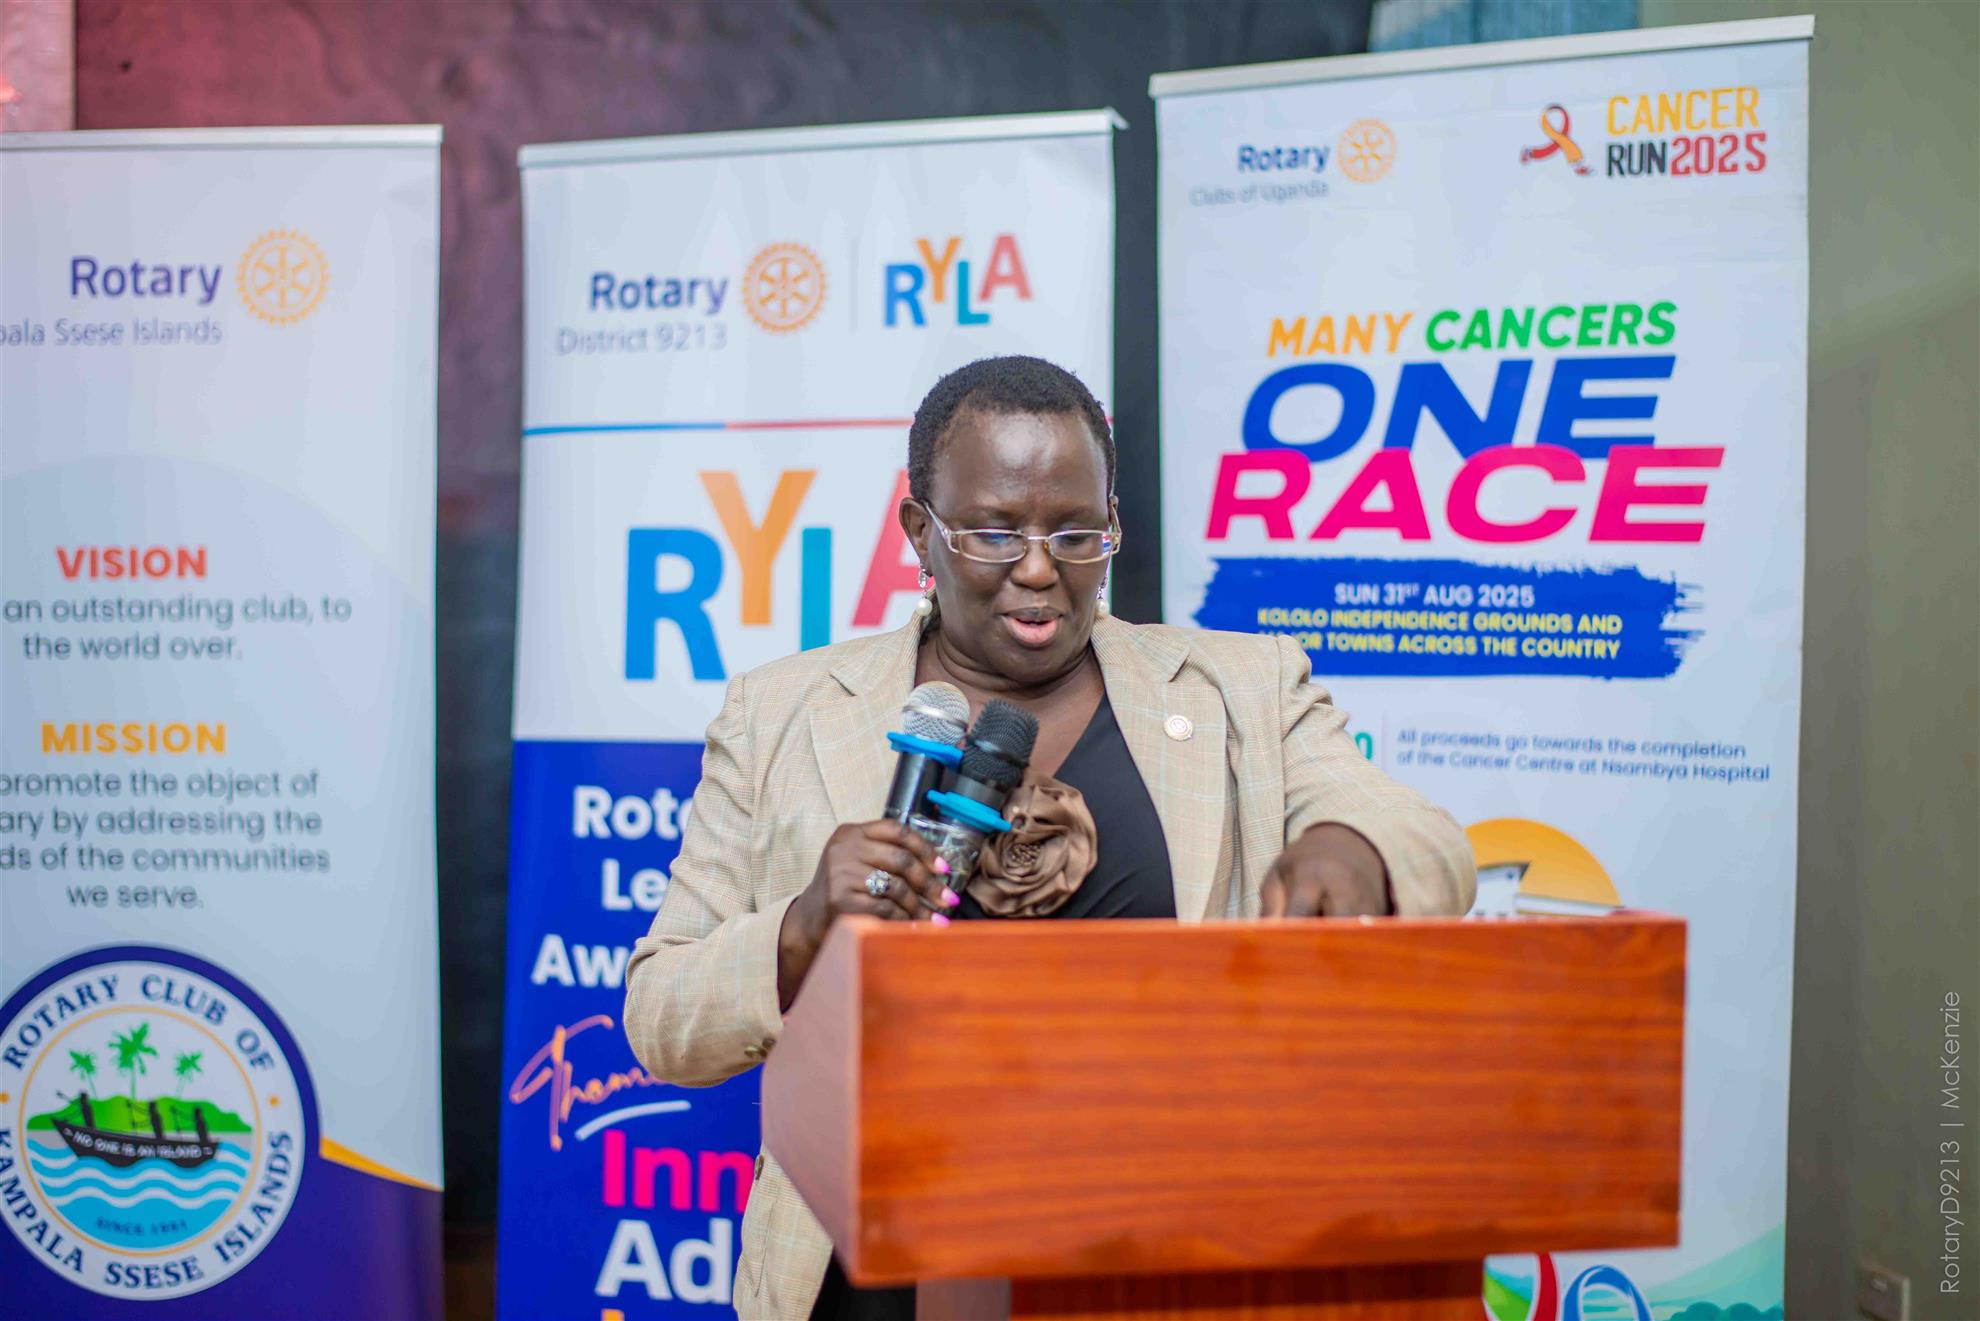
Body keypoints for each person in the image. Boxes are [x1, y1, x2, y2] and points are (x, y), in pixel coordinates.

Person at [623, 355, 1475, 1320]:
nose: (1039, 569)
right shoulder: (780, 711)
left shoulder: (1244, 688)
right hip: (873, 1276)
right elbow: (660, 1014)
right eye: (994, 533)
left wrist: (1351, 847)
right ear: (920, 531)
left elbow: (1425, 839)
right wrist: (801, 928)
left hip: (1164, 1268)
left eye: (1075, 533)